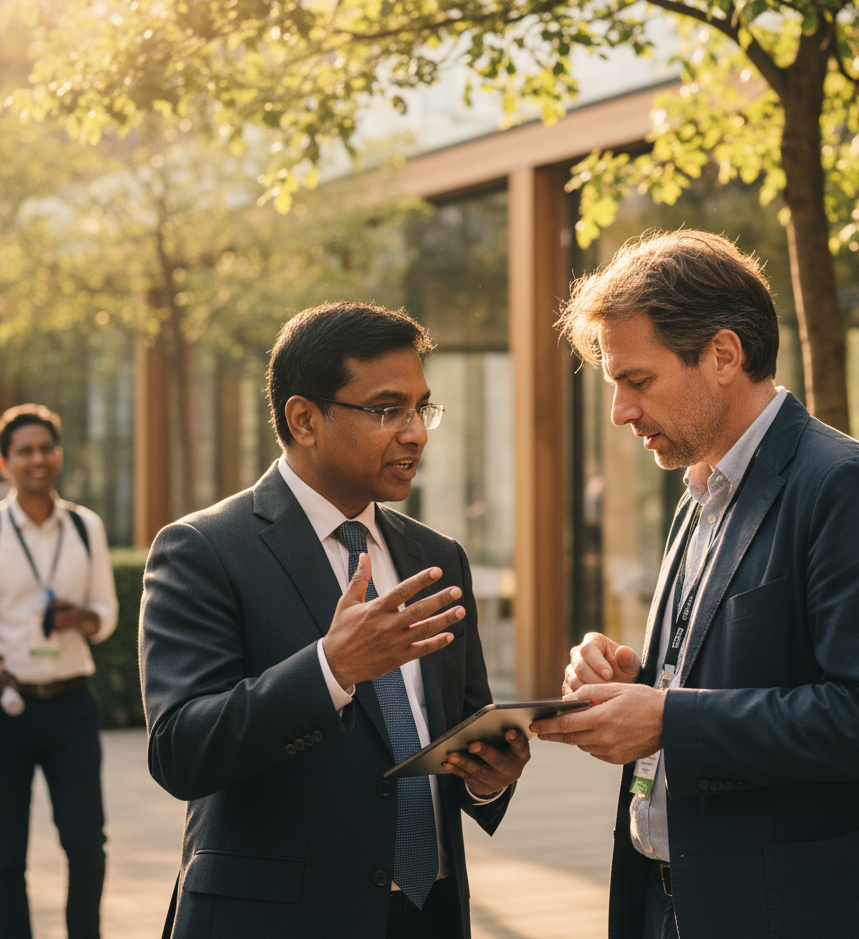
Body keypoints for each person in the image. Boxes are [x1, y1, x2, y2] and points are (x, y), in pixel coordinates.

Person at [532, 230, 859, 939]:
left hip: (798, 911)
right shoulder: (701, 488)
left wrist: (668, 717)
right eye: (614, 387)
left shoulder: (846, 487)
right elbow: (738, 665)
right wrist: (638, 676)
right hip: (678, 899)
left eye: (637, 381)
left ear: (724, 355)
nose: (620, 412)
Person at [140, 301, 529, 939]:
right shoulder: (204, 549)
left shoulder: (437, 557)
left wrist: (488, 779)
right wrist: (332, 669)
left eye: (420, 407)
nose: (416, 433)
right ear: (304, 419)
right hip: (276, 919)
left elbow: (457, 738)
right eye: (386, 410)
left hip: (427, 916)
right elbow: (181, 750)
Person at [0, 404, 119, 939]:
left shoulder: (84, 526)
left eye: (46, 448)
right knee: (5, 854)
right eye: (24, 451)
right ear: (5, 463)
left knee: (86, 845)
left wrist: (83, 618)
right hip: (8, 706)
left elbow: (108, 614)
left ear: (59, 454)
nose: (37, 459)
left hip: (72, 704)